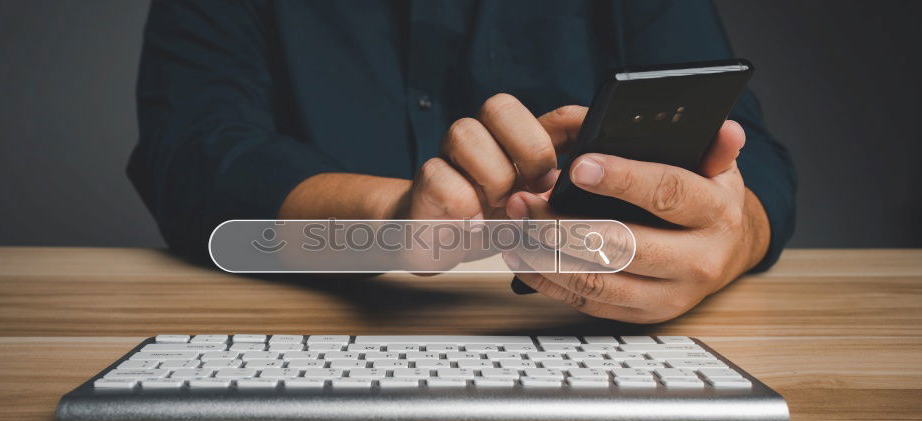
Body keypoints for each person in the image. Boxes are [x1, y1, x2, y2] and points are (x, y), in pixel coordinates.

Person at [128, 0, 796, 323]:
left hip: (580, 341)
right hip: (306, 329)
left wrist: (729, 236)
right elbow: (193, 152)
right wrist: (389, 221)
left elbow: (750, 155)